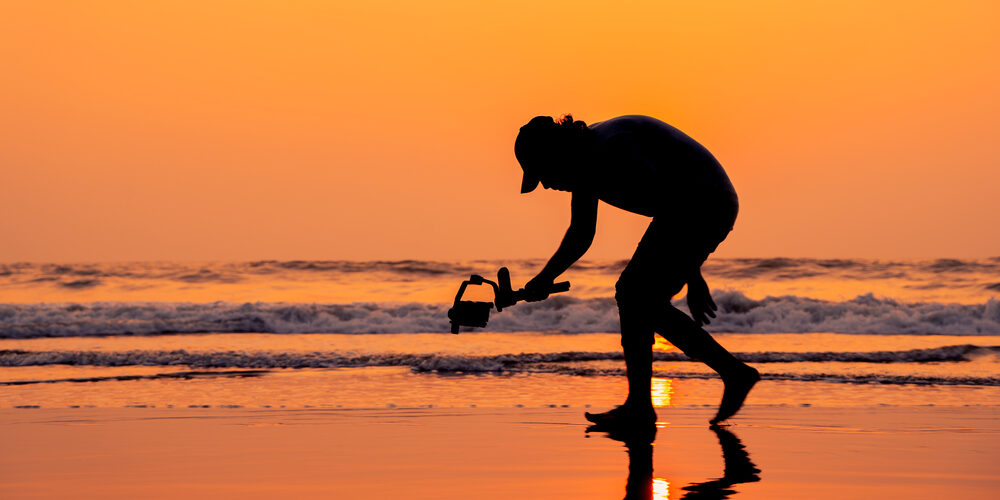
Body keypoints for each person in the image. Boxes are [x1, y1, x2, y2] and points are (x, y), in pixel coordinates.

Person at [515, 114, 759, 427]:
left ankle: (731, 374)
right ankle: (641, 407)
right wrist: (543, 279)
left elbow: (674, 201)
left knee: (636, 295)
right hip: (691, 205)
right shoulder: (587, 158)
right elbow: (581, 234)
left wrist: (692, 275)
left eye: (544, 173)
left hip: (704, 202)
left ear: (556, 153)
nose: (547, 185)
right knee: (634, 295)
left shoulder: (611, 149)